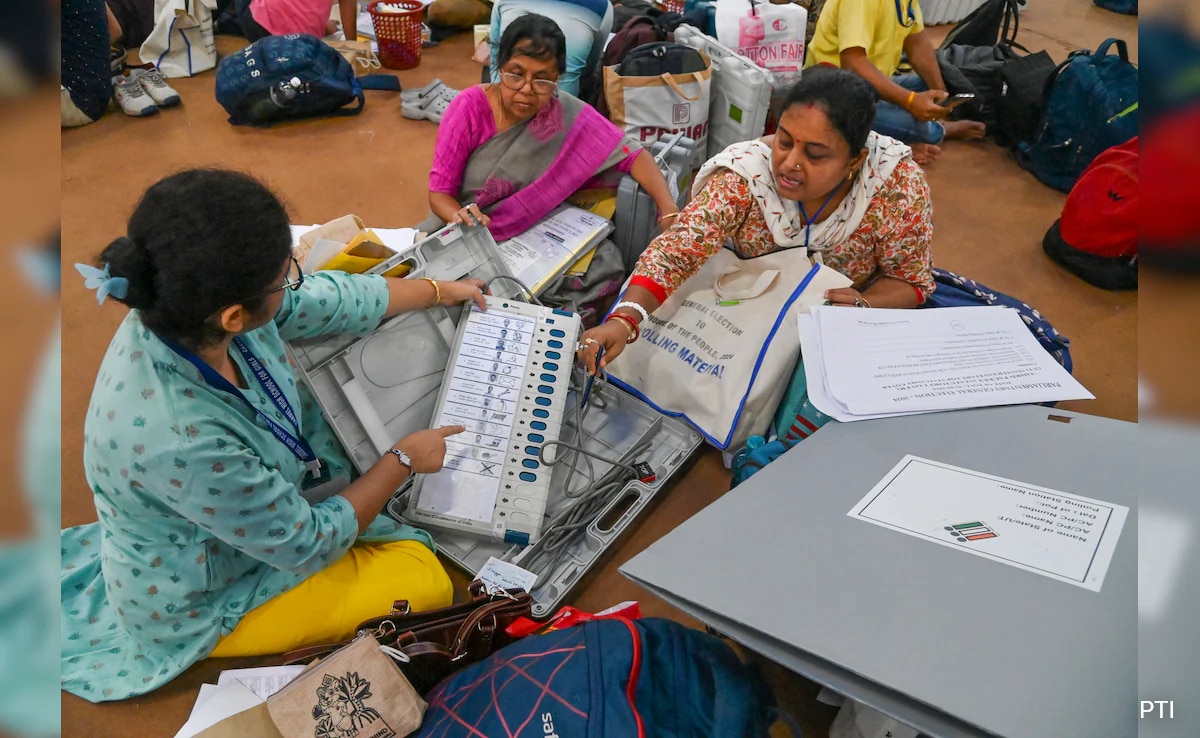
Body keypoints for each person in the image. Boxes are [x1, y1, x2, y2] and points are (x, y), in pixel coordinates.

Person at [61, 169, 484, 702]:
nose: (293, 285)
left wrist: (438, 290)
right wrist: (400, 459)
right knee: (424, 580)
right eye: (285, 278)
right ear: (235, 316)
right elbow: (304, 543)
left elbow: (329, 299)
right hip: (202, 592)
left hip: (236, 517)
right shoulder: (182, 436)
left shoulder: (187, 310)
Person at [577, 67, 934, 404]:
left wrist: (862, 305)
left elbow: (909, 279)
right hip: (743, 307)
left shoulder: (895, 188)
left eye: (814, 154)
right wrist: (625, 319)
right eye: (784, 140)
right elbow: (677, 249)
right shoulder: (747, 177)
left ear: (854, 162)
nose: (790, 162)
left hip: (825, 324)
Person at [425, 13, 679, 242]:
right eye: (515, 74)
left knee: (604, 270)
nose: (526, 89)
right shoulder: (468, 108)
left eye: (542, 80)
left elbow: (631, 154)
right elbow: (439, 195)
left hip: (533, 233)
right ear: (499, 67)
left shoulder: (566, 112)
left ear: (558, 78)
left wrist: (668, 209)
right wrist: (464, 218)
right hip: (466, 230)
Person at [805, 0, 985, 165]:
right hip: (833, 92)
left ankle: (918, 124)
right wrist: (909, 101)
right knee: (918, 127)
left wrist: (940, 93)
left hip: (871, 85)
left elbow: (918, 44)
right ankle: (938, 130)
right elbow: (853, 63)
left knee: (932, 85)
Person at [488, 0, 613, 97]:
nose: (527, 90)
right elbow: (588, 67)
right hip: (563, 106)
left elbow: (495, 54)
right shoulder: (603, 6)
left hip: (507, 99)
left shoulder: (502, 2)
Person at [216, 0, 356, 43]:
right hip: (306, 38)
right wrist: (353, 45)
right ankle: (224, 21)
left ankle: (201, 24)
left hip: (260, 26)